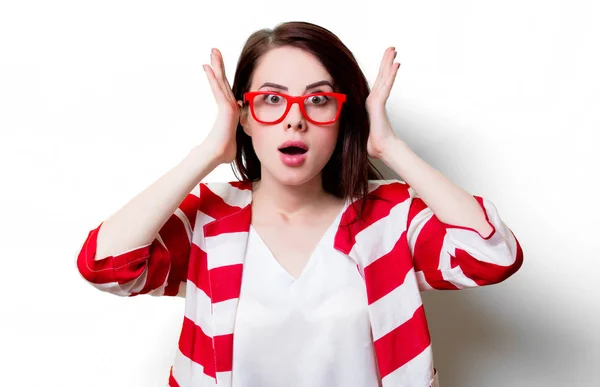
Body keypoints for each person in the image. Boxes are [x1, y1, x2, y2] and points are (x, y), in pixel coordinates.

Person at [76, 21, 523, 387]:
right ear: (245, 116)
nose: (295, 118)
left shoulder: (388, 216)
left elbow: (491, 256)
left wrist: (387, 146)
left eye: (318, 100)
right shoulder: (210, 215)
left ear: (343, 117)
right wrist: (210, 151)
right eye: (271, 99)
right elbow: (106, 265)